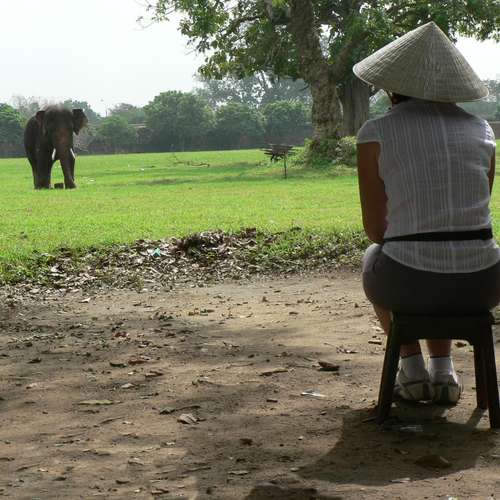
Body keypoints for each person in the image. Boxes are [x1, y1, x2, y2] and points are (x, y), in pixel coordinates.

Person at [353, 21, 499, 405]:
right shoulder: (482, 130)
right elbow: (472, 210)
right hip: (485, 281)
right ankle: (444, 372)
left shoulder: (375, 132)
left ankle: (412, 369)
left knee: (375, 257)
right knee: (446, 251)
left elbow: (376, 229)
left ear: (393, 86)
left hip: (408, 281)